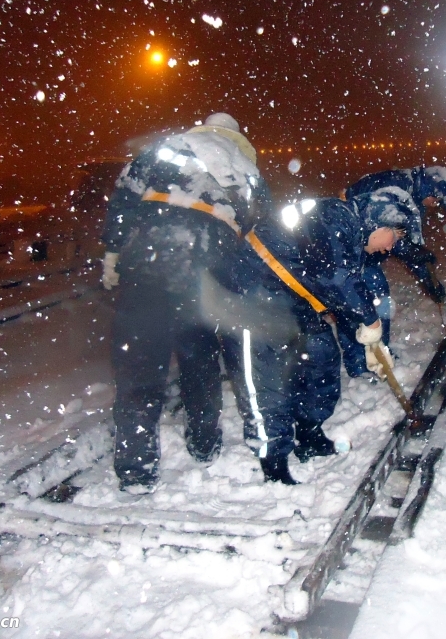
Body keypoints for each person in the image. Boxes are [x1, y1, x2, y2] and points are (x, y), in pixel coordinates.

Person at [100, 112, 268, 493]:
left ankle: (135, 470)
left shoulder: (163, 150)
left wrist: (112, 251)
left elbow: (124, 198)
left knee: (139, 368)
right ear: (235, 138)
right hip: (208, 270)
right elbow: (260, 231)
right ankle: (204, 443)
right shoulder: (245, 170)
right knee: (201, 361)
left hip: (148, 263)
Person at [232, 191, 423, 484]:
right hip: (253, 290)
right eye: (393, 239)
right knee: (266, 380)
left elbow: (342, 294)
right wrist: (370, 321)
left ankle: (310, 433)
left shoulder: (351, 238)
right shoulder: (336, 217)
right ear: (379, 224)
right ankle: (273, 457)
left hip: (293, 298)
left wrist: (369, 341)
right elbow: (336, 280)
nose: (390, 248)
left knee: (321, 357)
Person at [339, 166, 446, 379]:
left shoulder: (411, 191)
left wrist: (428, 277)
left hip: (364, 252)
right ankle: (362, 363)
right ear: (432, 190)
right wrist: (416, 256)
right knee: (363, 302)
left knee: (377, 299)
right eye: (438, 200)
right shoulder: (398, 187)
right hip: (350, 249)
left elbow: (411, 243)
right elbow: (395, 237)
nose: (436, 206)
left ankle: (378, 353)